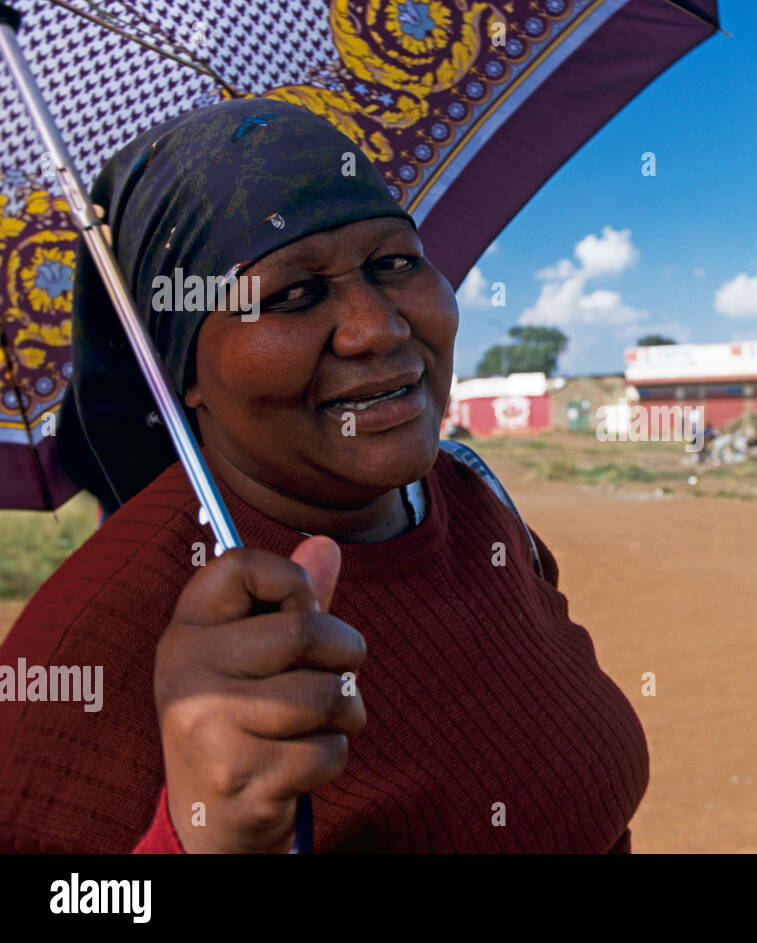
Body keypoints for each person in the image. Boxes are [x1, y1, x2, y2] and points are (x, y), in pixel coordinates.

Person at [0, 99, 649, 853]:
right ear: (183, 371)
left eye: (396, 263)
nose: (379, 327)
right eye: (287, 295)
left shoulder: (476, 499)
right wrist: (200, 837)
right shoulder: (82, 645)